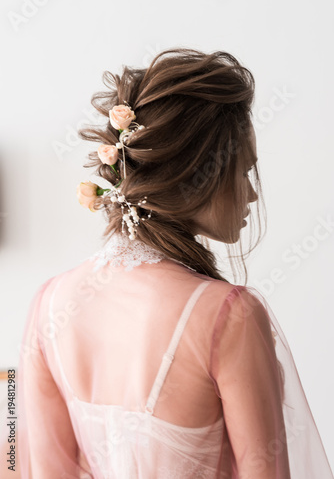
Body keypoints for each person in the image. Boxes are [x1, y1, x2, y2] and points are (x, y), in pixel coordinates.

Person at [15, 48, 333, 478]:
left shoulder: (49, 303)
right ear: (197, 174)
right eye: (243, 170)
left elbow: (35, 468)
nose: (252, 194)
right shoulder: (230, 315)